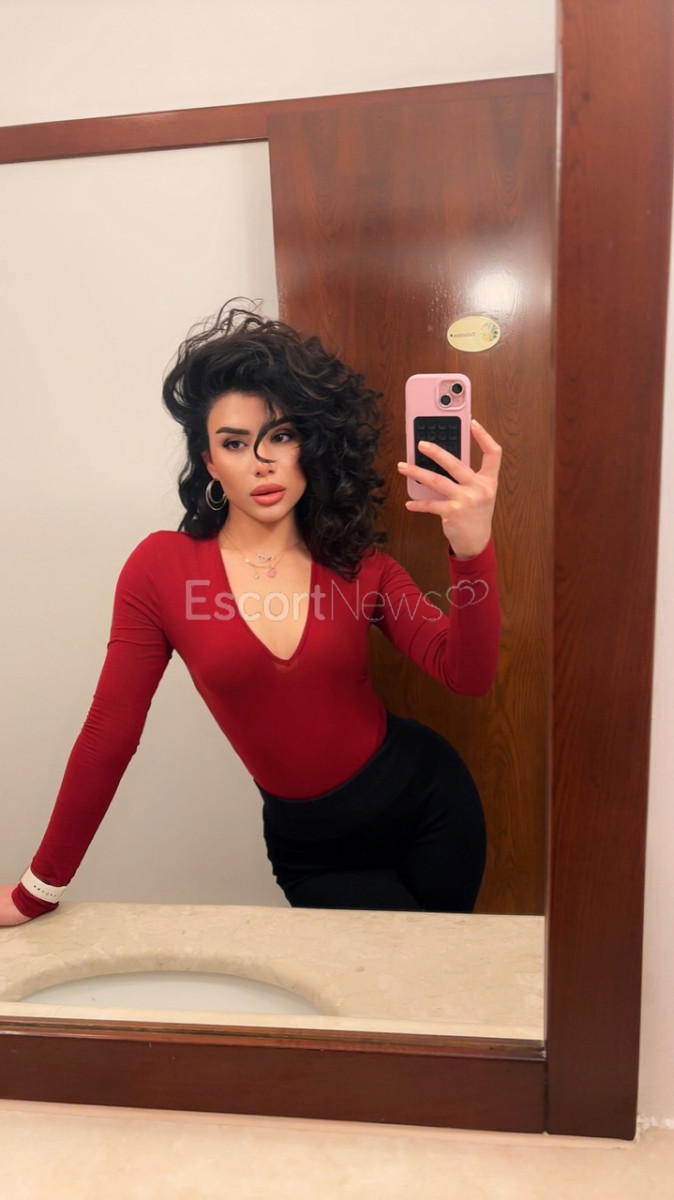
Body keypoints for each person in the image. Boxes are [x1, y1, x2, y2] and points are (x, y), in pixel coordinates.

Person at [0, 305, 501, 926]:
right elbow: (111, 732)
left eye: (281, 436)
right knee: (392, 982)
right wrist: (38, 889)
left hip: (430, 806)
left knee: (441, 980)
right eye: (235, 443)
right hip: (315, 853)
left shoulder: (358, 563)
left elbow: (466, 675)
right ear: (210, 462)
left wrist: (472, 550)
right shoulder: (161, 569)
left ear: (309, 446)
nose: (261, 461)